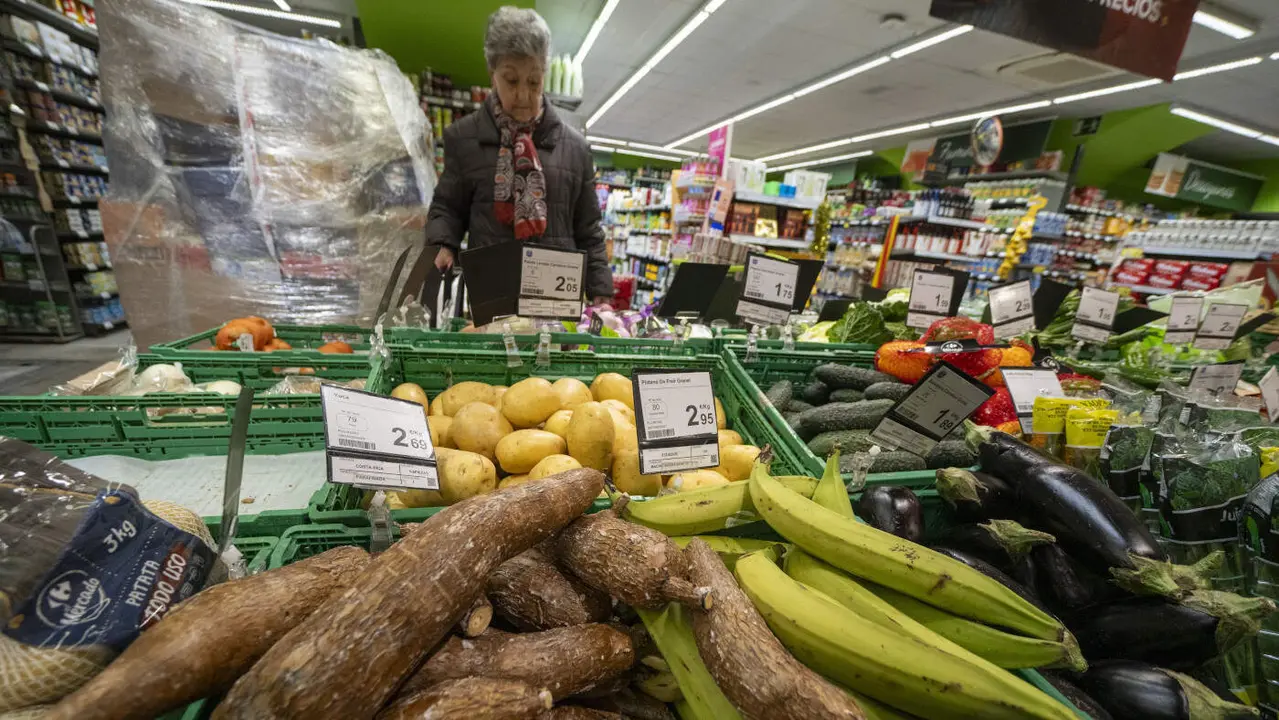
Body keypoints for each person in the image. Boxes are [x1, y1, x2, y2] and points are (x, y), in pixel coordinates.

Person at [426, 6, 613, 305]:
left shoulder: (576, 149)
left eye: (534, 81)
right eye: (511, 81)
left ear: (544, 75)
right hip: (490, 296)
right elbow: (447, 208)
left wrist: (601, 292)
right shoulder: (464, 139)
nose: (524, 95)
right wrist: (442, 244)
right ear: (492, 75)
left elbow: (588, 229)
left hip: (555, 302)